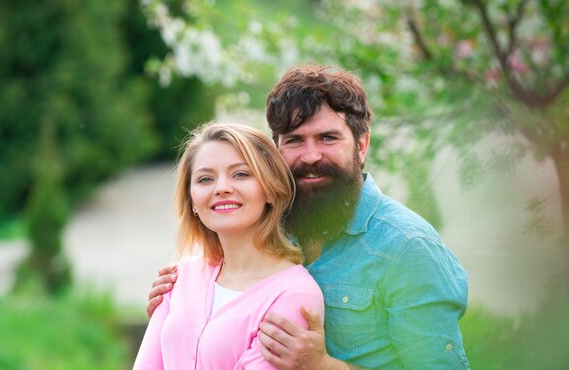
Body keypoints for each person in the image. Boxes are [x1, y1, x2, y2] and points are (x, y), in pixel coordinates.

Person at [146, 65, 470, 370]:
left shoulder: (407, 248)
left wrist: (325, 366)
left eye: (328, 138)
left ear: (362, 144)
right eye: (294, 141)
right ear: (276, 151)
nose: (311, 156)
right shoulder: (268, 226)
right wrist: (183, 313)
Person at [133, 122, 325, 370]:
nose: (222, 188)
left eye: (241, 174)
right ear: (191, 199)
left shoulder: (294, 294)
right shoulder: (179, 276)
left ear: (269, 190)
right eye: (205, 179)